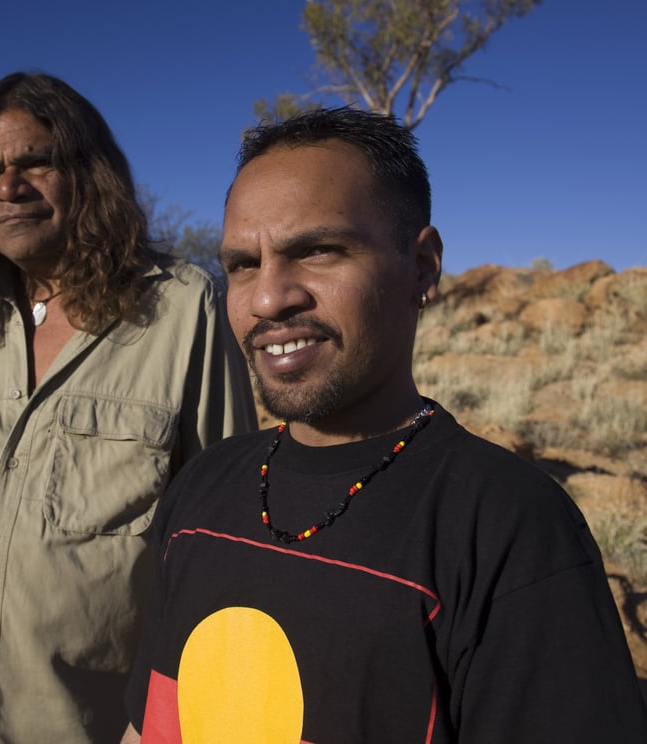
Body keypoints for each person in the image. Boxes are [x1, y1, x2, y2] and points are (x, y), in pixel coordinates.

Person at [122, 107, 647, 743]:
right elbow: (151, 724)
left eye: (317, 250)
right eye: (241, 264)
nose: (268, 297)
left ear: (422, 268)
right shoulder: (200, 489)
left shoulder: (510, 528)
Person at [0, 72, 256, 744]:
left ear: (89, 172)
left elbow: (223, 553)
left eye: (34, 161)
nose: (8, 186)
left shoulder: (184, 309)